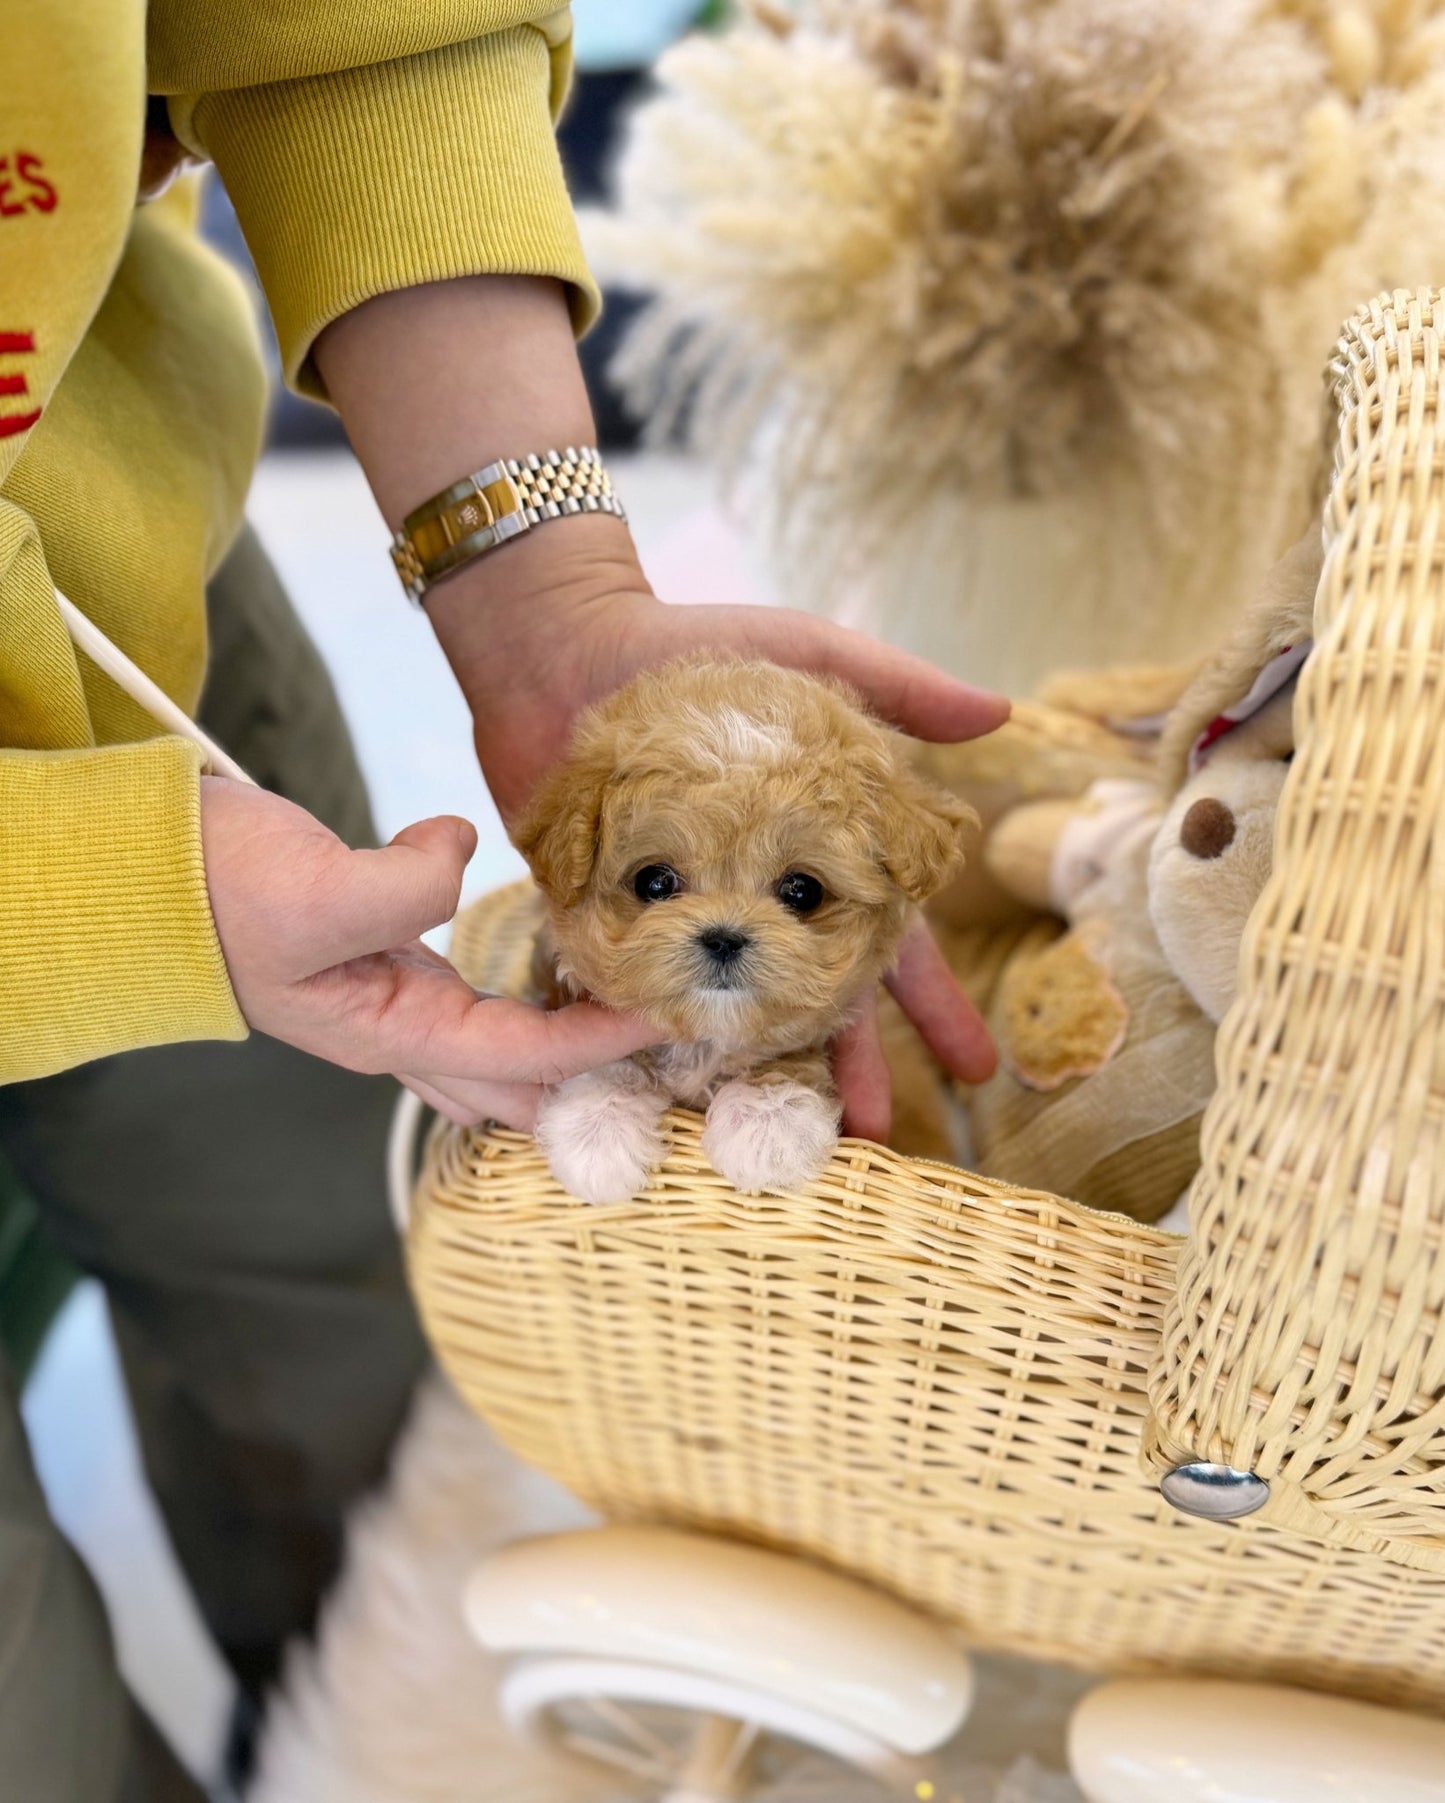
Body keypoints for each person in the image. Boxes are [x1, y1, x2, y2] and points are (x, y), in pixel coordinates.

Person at [1, 6, 1005, 1797]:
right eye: (667, 875)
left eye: (789, 885)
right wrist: (96, 899)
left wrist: (541, 591)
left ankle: (345, 1706)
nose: (719, 925)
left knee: (326, 1284)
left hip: (112, 569)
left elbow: (362, 32)